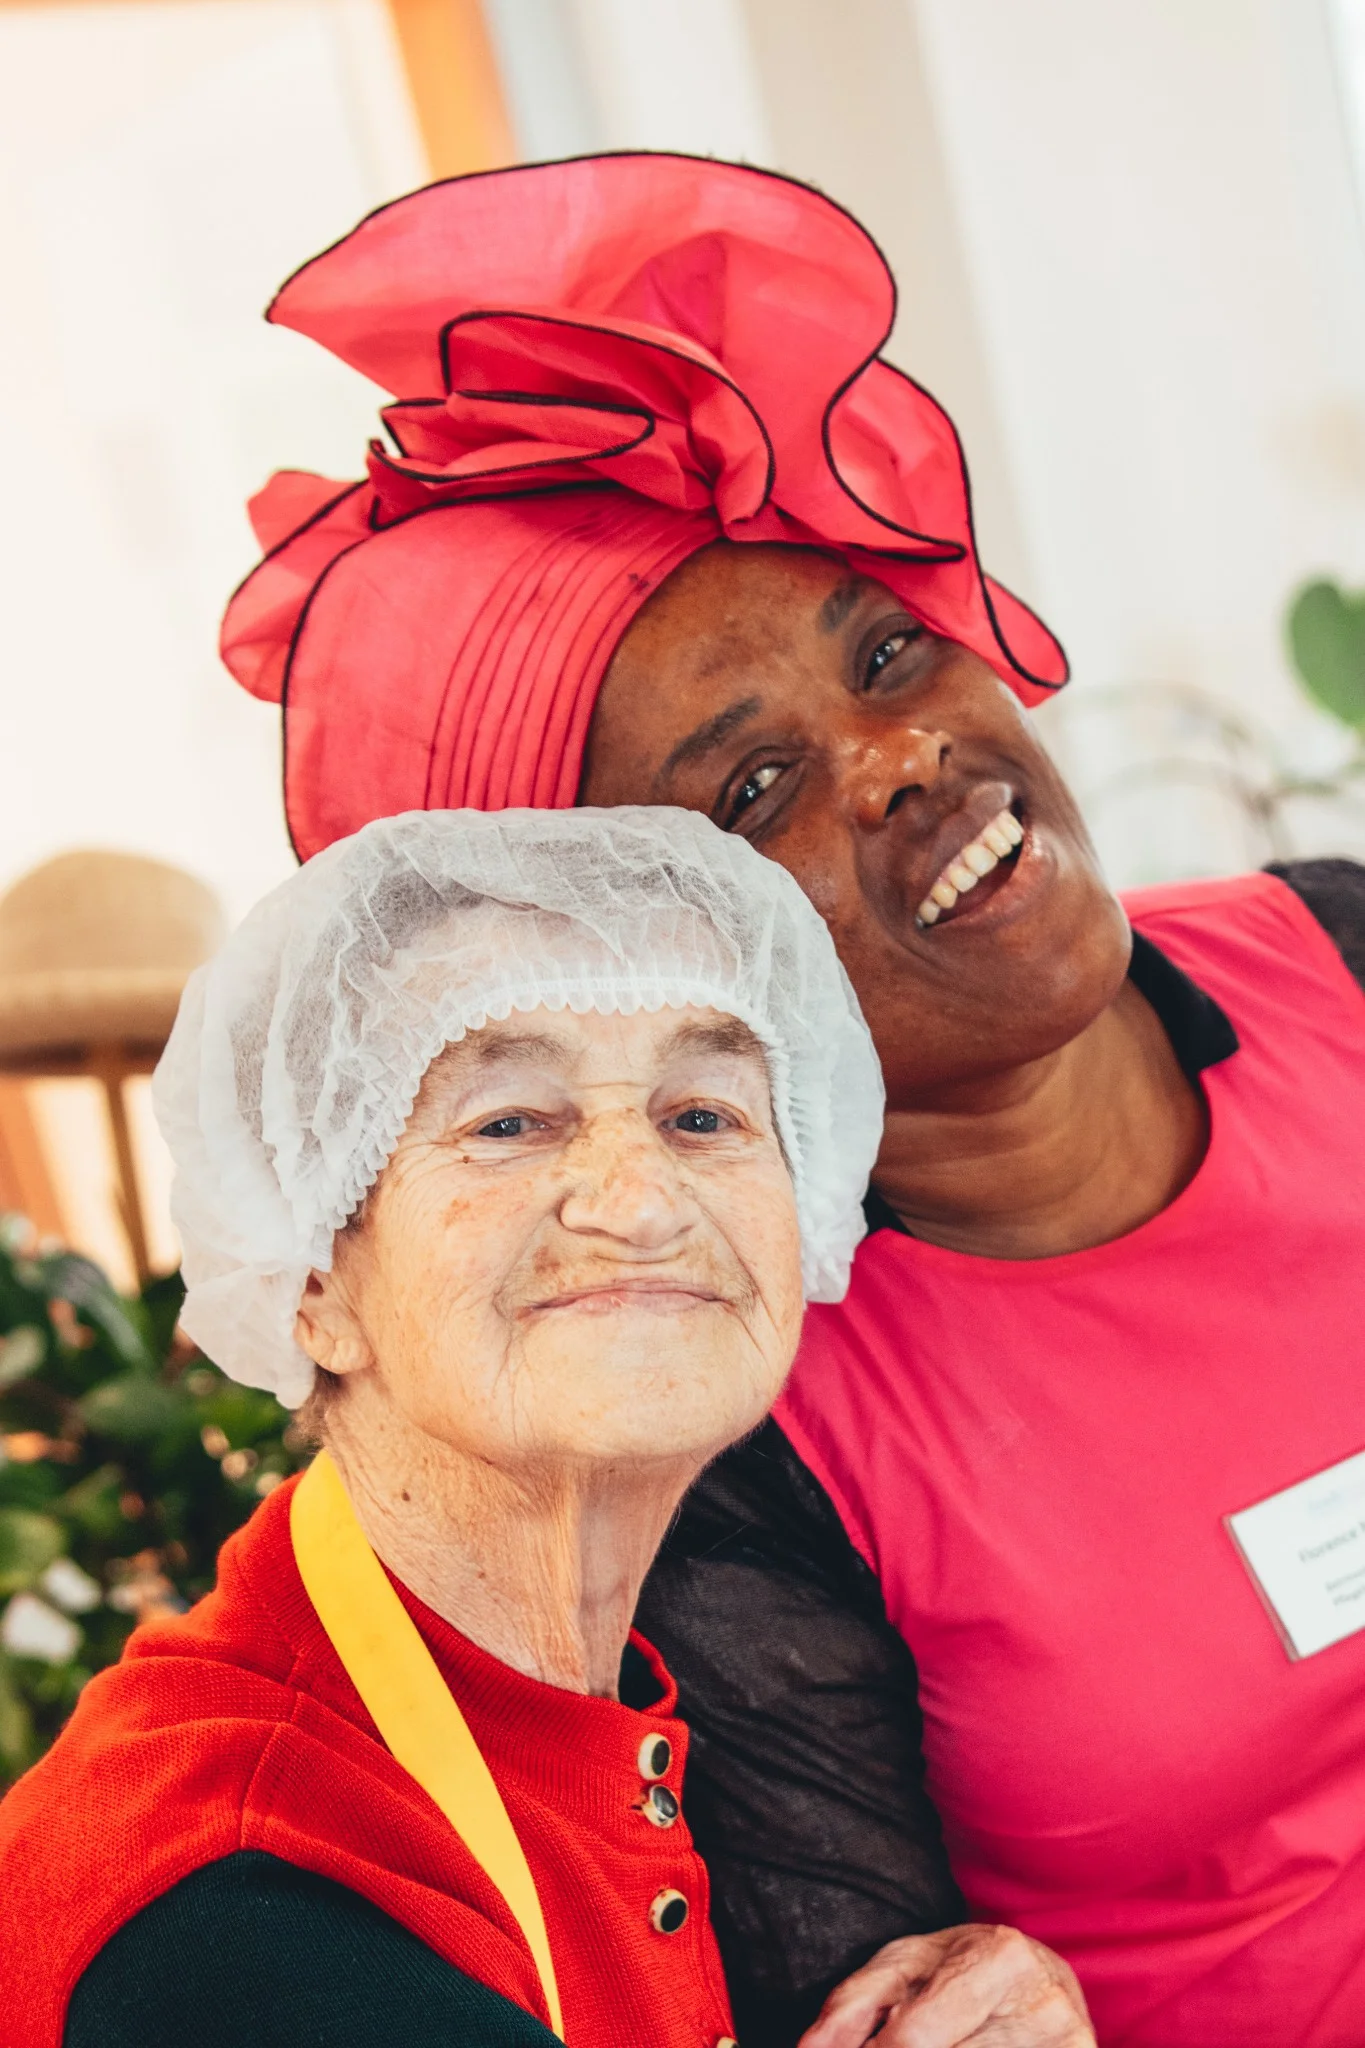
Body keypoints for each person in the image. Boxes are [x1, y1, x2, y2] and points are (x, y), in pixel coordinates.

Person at [214, 156, 1365, 2046]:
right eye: (754, 793)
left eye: (887, 650)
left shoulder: (1337, 950)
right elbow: (881, 1997)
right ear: (663, 963)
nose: (903, 755)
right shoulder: (746, 1418)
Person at [0, 805, 890, 2048]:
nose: (638, 1200)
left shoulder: (596, 1693)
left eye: (704, 1113)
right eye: (509, 1122)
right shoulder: (237, 1921)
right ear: (312, 1281)